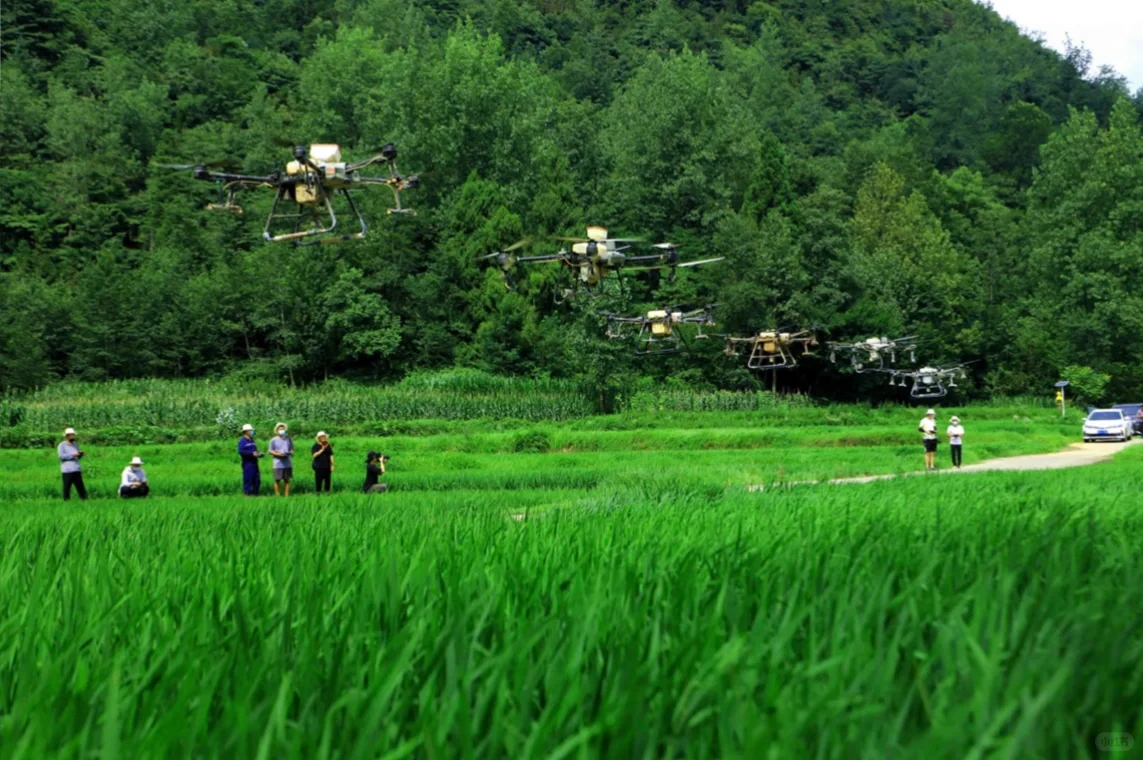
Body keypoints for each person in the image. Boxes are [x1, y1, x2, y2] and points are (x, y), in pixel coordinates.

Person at [58, 427, 88, 501]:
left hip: (76, 469)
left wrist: (80, 454)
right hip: (67, 471)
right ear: (67, 436)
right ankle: (67, 502)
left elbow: (76, 457)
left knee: (81, 487)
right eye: (71, 435)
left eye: (73, 435)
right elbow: (61, 457)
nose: (72, 436)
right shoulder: (62, 445)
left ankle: (84, 501)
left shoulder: (75, 444)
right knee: (67, 488)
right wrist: (73, 455)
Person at [269, 422, 295, 496]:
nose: (282, 430)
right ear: (276, 430)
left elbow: (292, 449)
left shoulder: (288, 439)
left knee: (287, 480)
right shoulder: (273, 440)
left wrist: (291, 452)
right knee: (277, 480)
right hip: (278, 463)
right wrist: (278, 454)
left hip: (287, 463)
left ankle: (286, 496)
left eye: (283, 429)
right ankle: (277, 495)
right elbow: (270, 451)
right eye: (280, 429)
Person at [238, 423, 264, 496]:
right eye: (251, 430)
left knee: (257, 480)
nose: (252, 432)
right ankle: (247, 495)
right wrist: (251, 454)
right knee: (248, 480)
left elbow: (255, 451)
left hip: (255, 463)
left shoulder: (252, 441)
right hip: (248, 464)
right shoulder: (242, 441)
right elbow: (241, 451)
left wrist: (259, 453)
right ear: (246, 431)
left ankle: (255, 494)